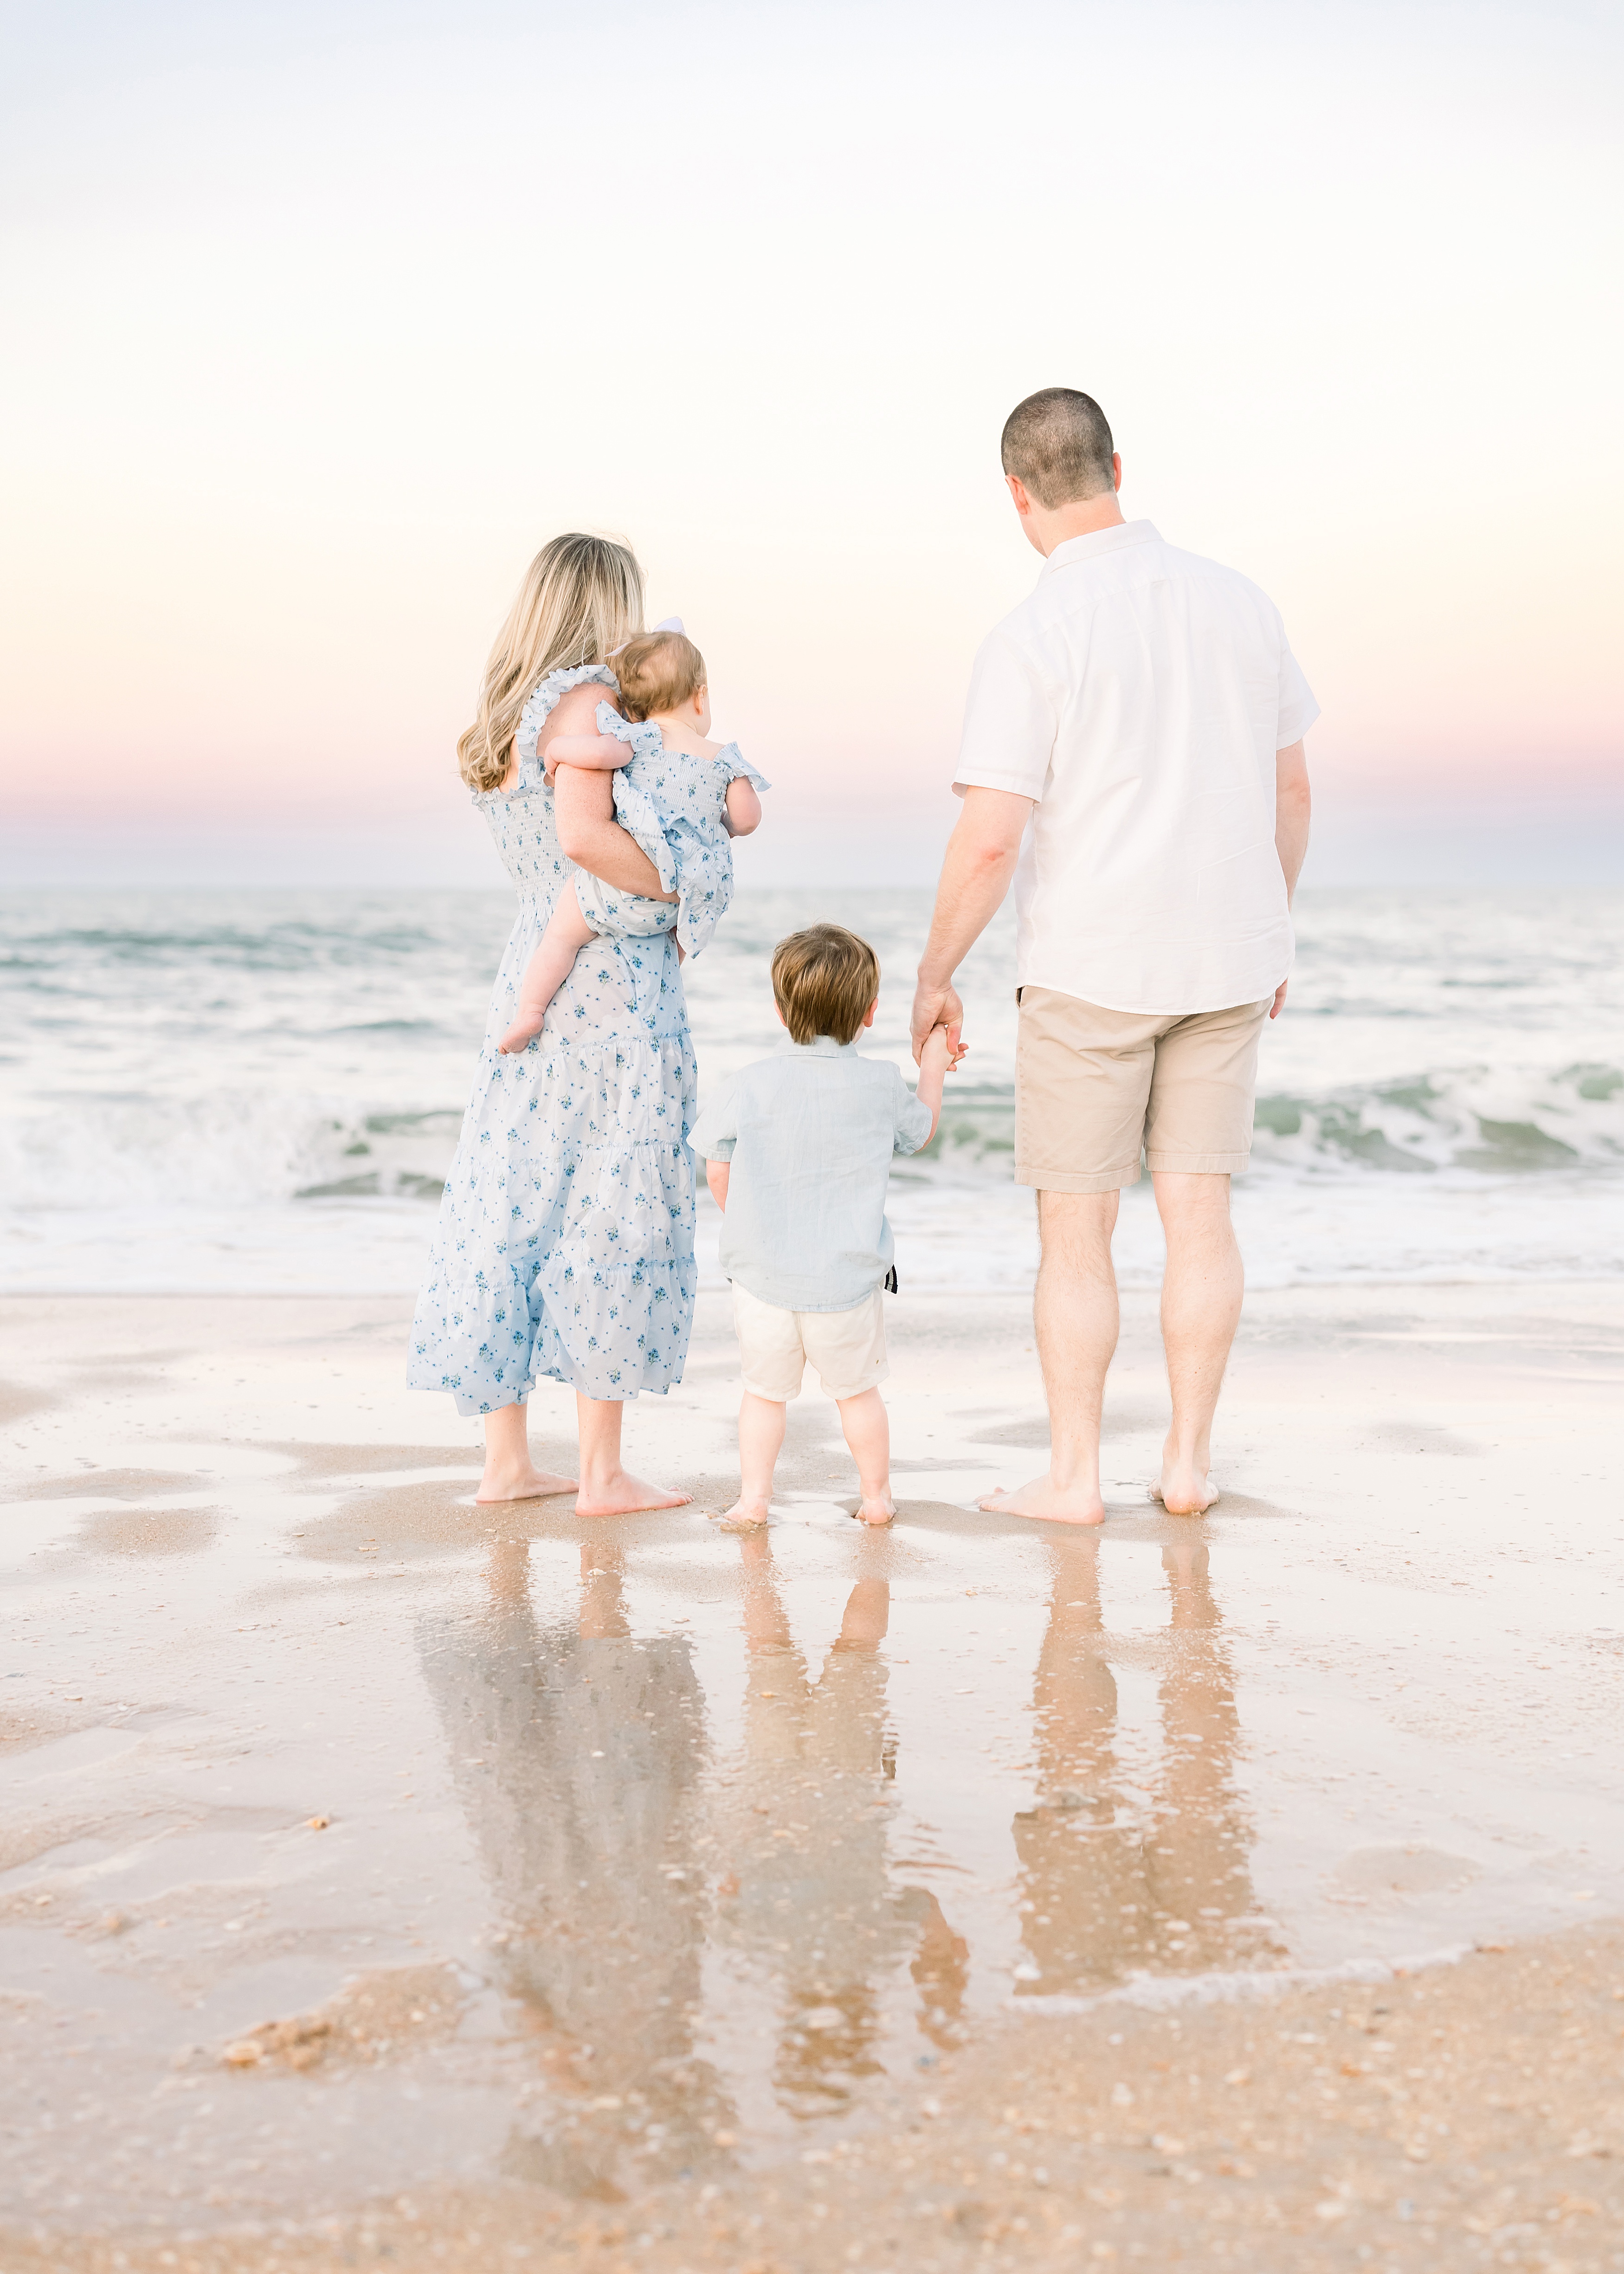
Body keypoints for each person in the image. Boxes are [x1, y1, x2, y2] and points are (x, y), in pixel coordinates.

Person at [910, 388, 1317, 1525]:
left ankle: (1076, 1478)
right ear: (1117, 466)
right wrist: (1267, 921)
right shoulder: (1241, 603)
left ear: (1015, 494)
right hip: (1229, 956)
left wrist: (937, 973)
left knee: (1076, 1231)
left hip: (1091, 967)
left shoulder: (1034, 634)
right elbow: (1290, 790)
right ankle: (1186, 1466)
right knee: (1201, 1215)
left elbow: (992, 839)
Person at [408, 533, 697, 1514]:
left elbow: (550, 851)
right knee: (608, 1201)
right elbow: (584, 837)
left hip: (535, 960)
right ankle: (603, 1472)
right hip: (608, 979)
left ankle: (507, 1462)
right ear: (605, 604)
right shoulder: (589, 701)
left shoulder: (511, 719)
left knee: (517, 1198)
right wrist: (680, 884)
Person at [689, 924, 951, 1527]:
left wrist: (754, 1224)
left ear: (780, 1010)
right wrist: (933, 1063)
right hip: (847, 1284)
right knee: (857, 1395)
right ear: (870, 1012)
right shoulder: (881, 1084)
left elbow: (719, 1166)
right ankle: (877, 1499)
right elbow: (922, 1130)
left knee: (763, 1395)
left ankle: (754, 1501)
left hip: (763, 1279)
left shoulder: (750, 1083)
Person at [497, 627, 769, 1056]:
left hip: (619, 887)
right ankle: (670, 977)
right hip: (680, 901)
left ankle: (530, 1009)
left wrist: (559, 751)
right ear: (700, 697)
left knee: (561, 938)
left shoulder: (637, 739)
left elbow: (599, 756)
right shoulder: (724, 757)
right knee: (679, 938)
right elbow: (749, 819)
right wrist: (725, 827)